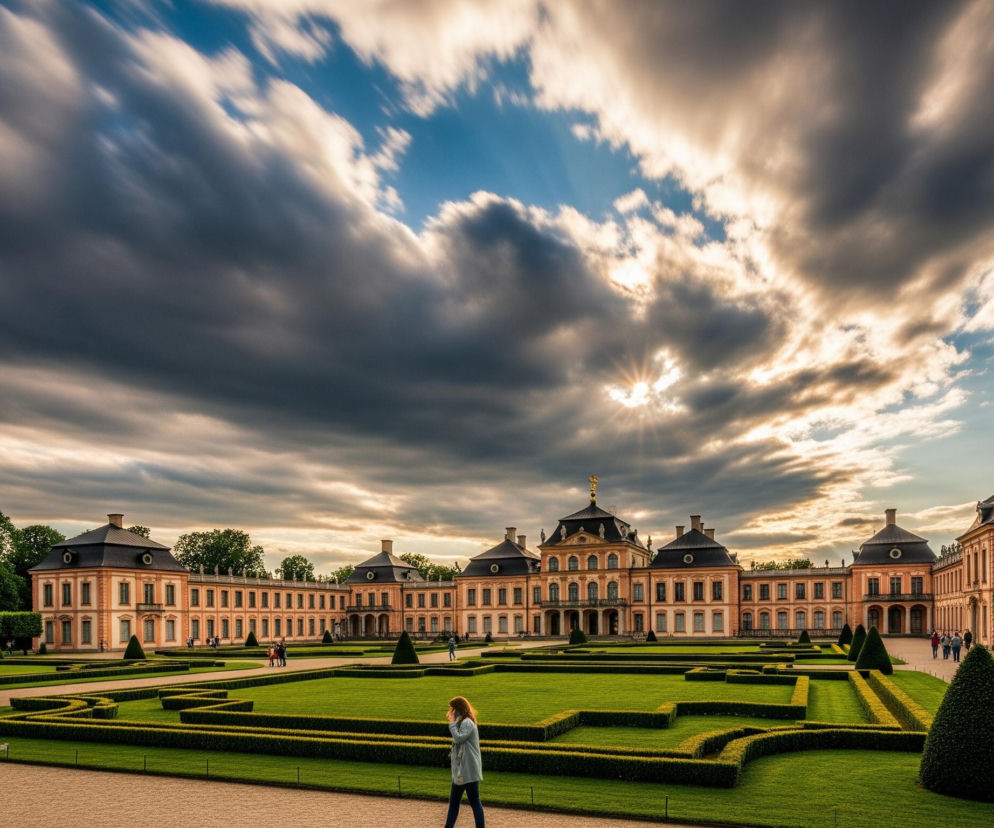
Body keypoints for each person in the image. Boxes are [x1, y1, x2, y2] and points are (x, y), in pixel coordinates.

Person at [445, 696, 484, 828]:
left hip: (467, 770)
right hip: (463, 770)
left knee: (471, 801)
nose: (450, 711)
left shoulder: (467, 722)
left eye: (452, 708)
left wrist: (451, 722)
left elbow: (459, 738)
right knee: (460, 801)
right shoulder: (463, 722)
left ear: (458, 709)